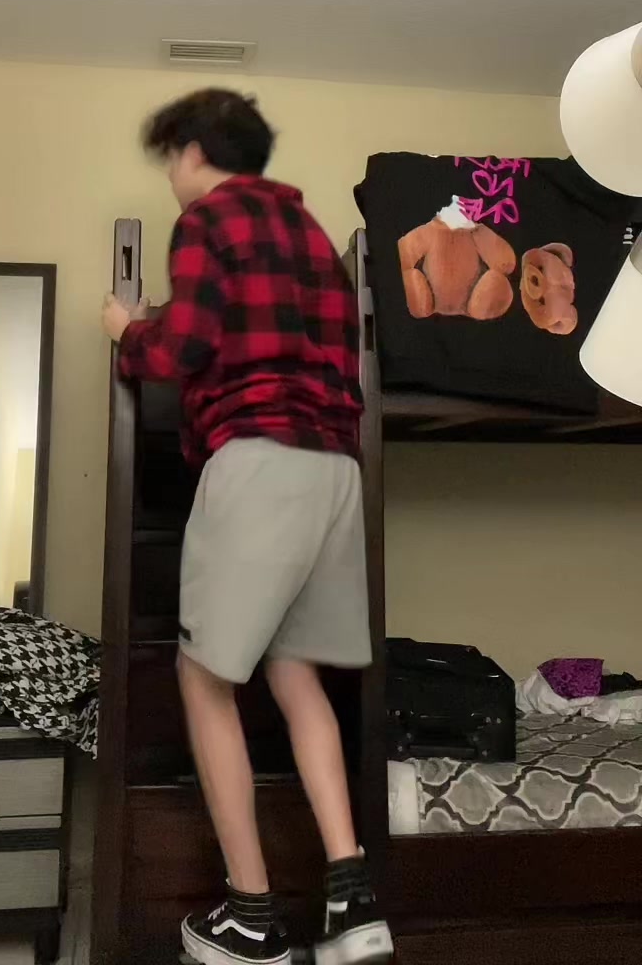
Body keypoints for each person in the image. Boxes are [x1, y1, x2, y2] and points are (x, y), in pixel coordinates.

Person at [102, 89, 392, 965]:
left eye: (171, 157)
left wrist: (127, 332)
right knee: (296, 676)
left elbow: (184, 347)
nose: (171, 174)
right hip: (334, 469)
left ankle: (252, 916)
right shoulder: (312, 236)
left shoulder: (209, 219)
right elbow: (309, 350)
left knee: (201, 681)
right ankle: (351, 904)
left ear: (194, 151)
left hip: (258, 461)